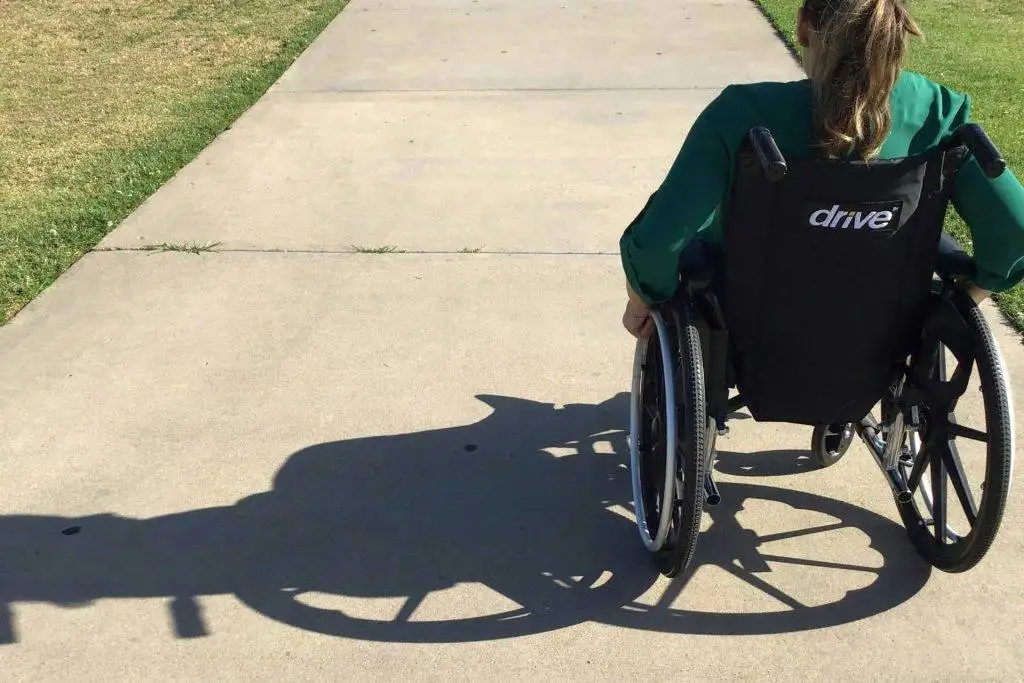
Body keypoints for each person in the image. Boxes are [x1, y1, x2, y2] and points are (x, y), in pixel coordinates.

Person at [620, 0, 1024, 339]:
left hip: (750, 331)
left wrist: (643, 296)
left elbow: (659, 242)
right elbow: (1016, 229)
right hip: (888, 338)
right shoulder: (936, 113)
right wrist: (973, 293)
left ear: (802, 27)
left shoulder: (741, 115)